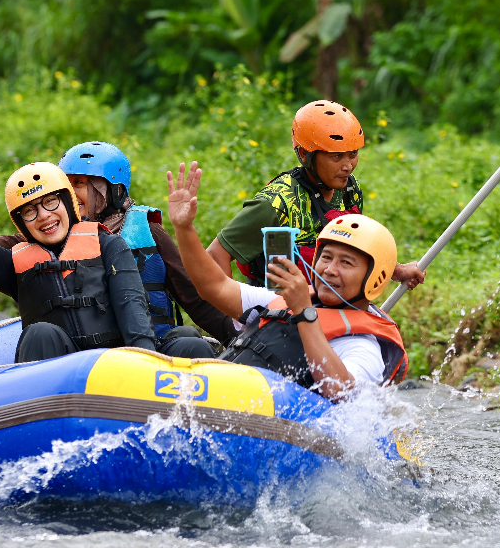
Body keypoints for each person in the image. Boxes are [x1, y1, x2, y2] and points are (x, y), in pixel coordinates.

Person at [0, 135, 213, 362]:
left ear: (67, 204)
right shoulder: (15, 258)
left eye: (51, 204)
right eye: (30, 211)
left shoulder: (111, 244)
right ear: (20, 222)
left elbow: (133, 310)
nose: (43, 217)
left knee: (190, 342)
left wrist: (144, 366)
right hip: (53, 382)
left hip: (115, 364)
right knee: (41, 333)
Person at [168, 161, 407, 401]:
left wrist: (304, 312)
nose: (330, 270)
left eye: (346, 263)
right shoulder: (282, 303)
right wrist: (185, 228)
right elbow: (214, 287)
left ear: (374, 278)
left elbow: (342, 393)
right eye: (326, 257)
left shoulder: (362, 346)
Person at [206, 100, 425, 291]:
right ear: (304, 154)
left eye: (353, 154)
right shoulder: (275, 202)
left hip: (328, 304)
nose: (348, 166)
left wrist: (396, 270)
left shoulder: (349, 190)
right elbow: (216, 255)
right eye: (337, 156)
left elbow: (355, 250)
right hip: (278, 315)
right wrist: (234, 321)